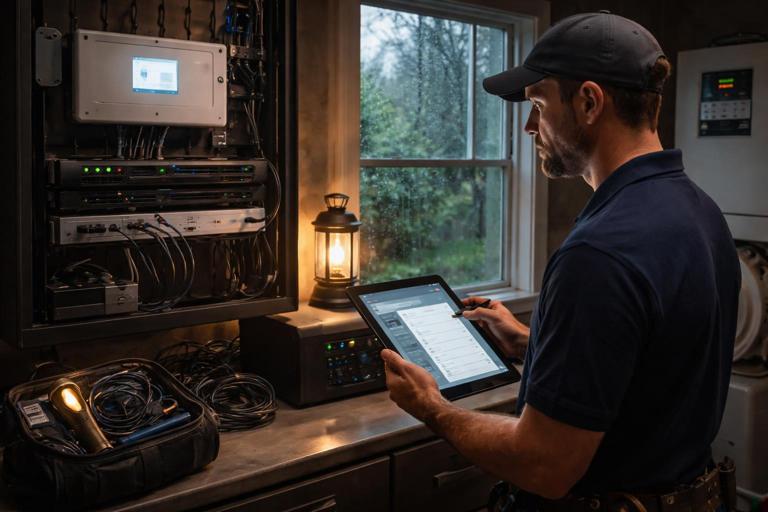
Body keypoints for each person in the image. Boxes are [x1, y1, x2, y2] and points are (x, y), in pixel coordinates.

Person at [380, 11, 741, 511]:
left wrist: (431, 408)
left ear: (589, 101)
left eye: (537, 104)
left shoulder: (599, 253)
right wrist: (533, 344)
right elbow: (655, 364)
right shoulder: (700, 211)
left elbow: (544, 465)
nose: (529, 126)